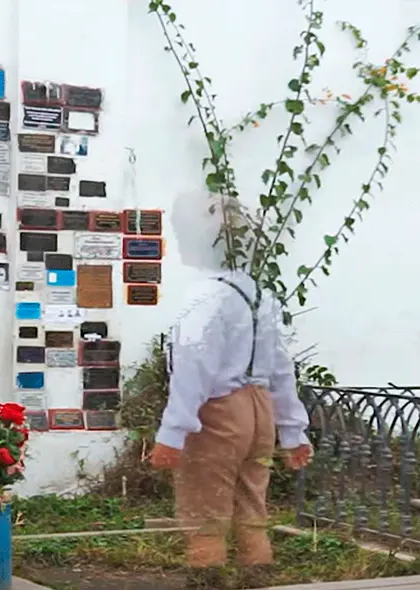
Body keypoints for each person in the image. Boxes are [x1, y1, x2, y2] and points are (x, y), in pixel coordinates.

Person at [148, 191, 313, 584]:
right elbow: (280, 367)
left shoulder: (206, 297)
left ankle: (206, 580)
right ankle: (257, 578)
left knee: (205, 508)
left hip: (219, 411)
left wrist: (173, 431)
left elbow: (193, 365)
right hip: (259, 411)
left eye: (181, 230)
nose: (178, 238)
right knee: (251, 507)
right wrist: (292, 431)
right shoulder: (259, 294)